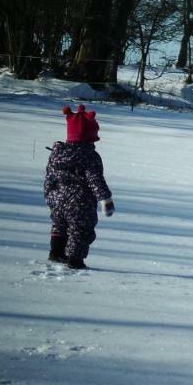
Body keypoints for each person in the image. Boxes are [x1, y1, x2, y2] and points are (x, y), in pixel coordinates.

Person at [44, 104, 115, 270]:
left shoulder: (57, 153)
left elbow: (49, 177)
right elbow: (94, 179)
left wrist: (49, 196)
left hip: (57, 197)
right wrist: (105, 199)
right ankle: (75, 260)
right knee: (80, 229)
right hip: (80, 201)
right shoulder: (90, 156)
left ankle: (56, 252)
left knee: (59, 224)